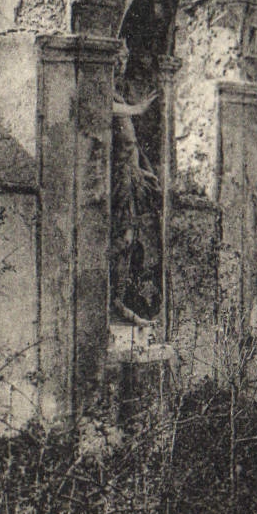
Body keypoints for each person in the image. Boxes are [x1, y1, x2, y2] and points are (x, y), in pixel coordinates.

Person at [109, 46, 162, 326]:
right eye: (118, 57)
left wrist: (143, 171)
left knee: (133, 239)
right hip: (117, 179)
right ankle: (114, 301)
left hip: (131, 176)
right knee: (122, 238)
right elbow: (97, 106)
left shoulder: (117, 93)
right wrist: (136, 109)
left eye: (126, 57)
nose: (122, 63)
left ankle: (121, 299)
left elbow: (130, 145)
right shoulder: (103, 91)